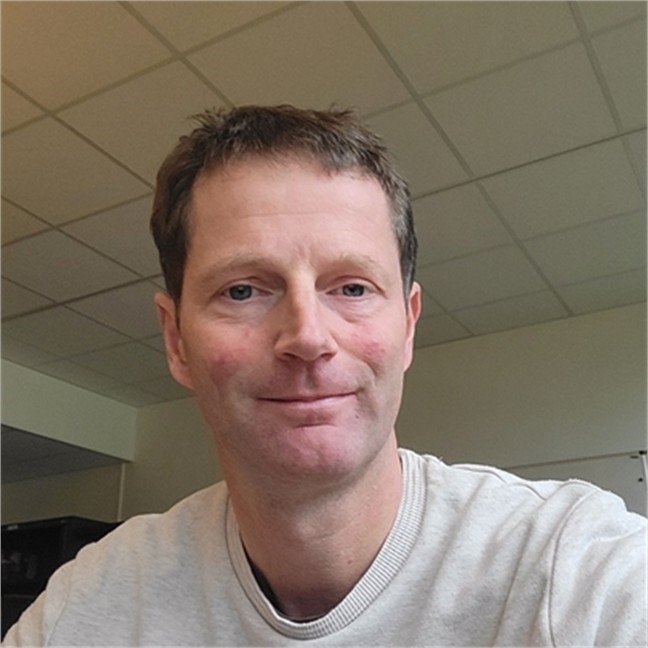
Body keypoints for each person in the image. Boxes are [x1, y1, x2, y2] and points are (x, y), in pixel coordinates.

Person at [4, 106, 646, 647]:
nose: (308, 337)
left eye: (353, 287)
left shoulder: (573, 568)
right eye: (243, 289)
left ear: (408, 326)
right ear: (176, 340)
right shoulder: (89, 603)